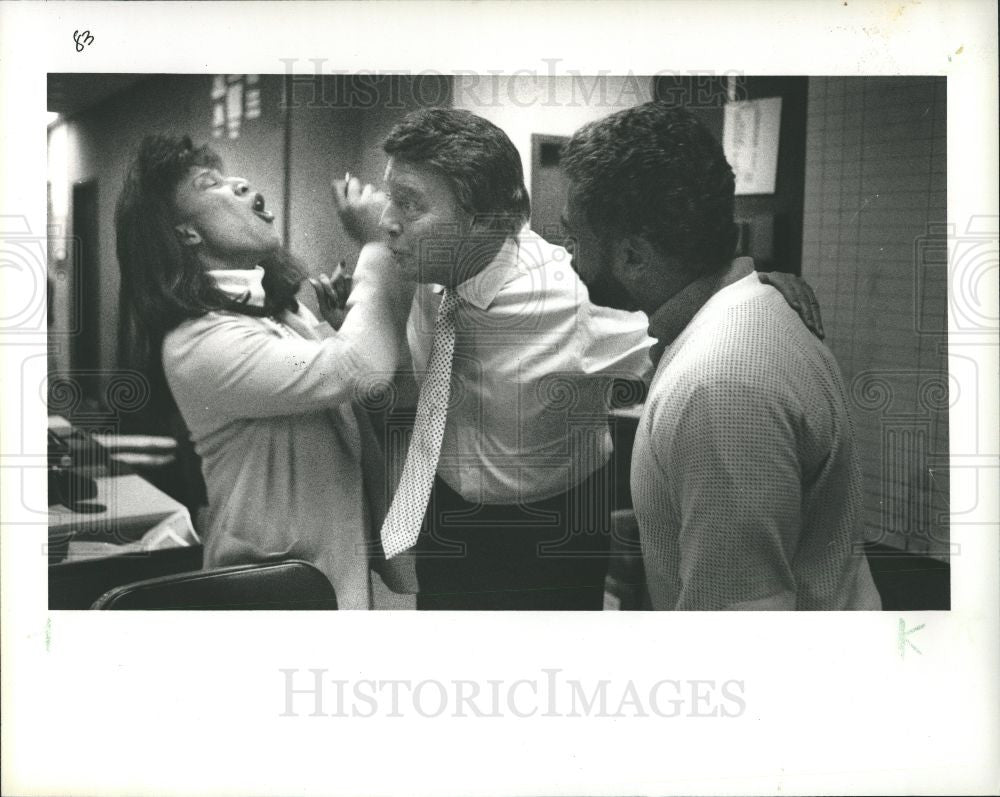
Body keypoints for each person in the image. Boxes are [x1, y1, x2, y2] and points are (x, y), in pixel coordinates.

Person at [336, 108, 824, 610]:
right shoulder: (420, 263)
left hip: (545, 531)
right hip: (443, 506)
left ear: (481, 221)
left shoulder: (570, 295)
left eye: (410, 204)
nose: (385, 223)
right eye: (390, 197)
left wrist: (747, 286)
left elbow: (682, 321)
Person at [559, 102, 882, 610]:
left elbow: (743, 623)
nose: (568, 255)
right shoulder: (757, 310)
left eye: (574, 235)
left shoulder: (718, 385)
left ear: (634, 255)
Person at [115, 134, 414, 609]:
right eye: (210, 183)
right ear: (186, 233)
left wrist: (333, 304)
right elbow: (359, 369)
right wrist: (375, 248)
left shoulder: (278, 312)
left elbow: (339, 350)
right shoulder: (198, 343)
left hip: (331, 576)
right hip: (273, 593)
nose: (239, 183)